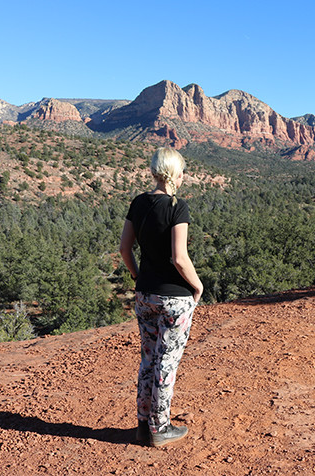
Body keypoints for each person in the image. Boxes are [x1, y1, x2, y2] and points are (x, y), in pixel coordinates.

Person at [120, 147, 203, 447]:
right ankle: (160, 427)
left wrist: (137, 276)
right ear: (174, 174)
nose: (184, 177)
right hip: (173, 299)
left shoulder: (139, 203)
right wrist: (197, 286)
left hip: (145, 296)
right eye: (182, 171)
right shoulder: (176, 207)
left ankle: (143, 425)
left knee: (148, 359)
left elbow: (124, 249)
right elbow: (179, 258)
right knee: (166, 362)